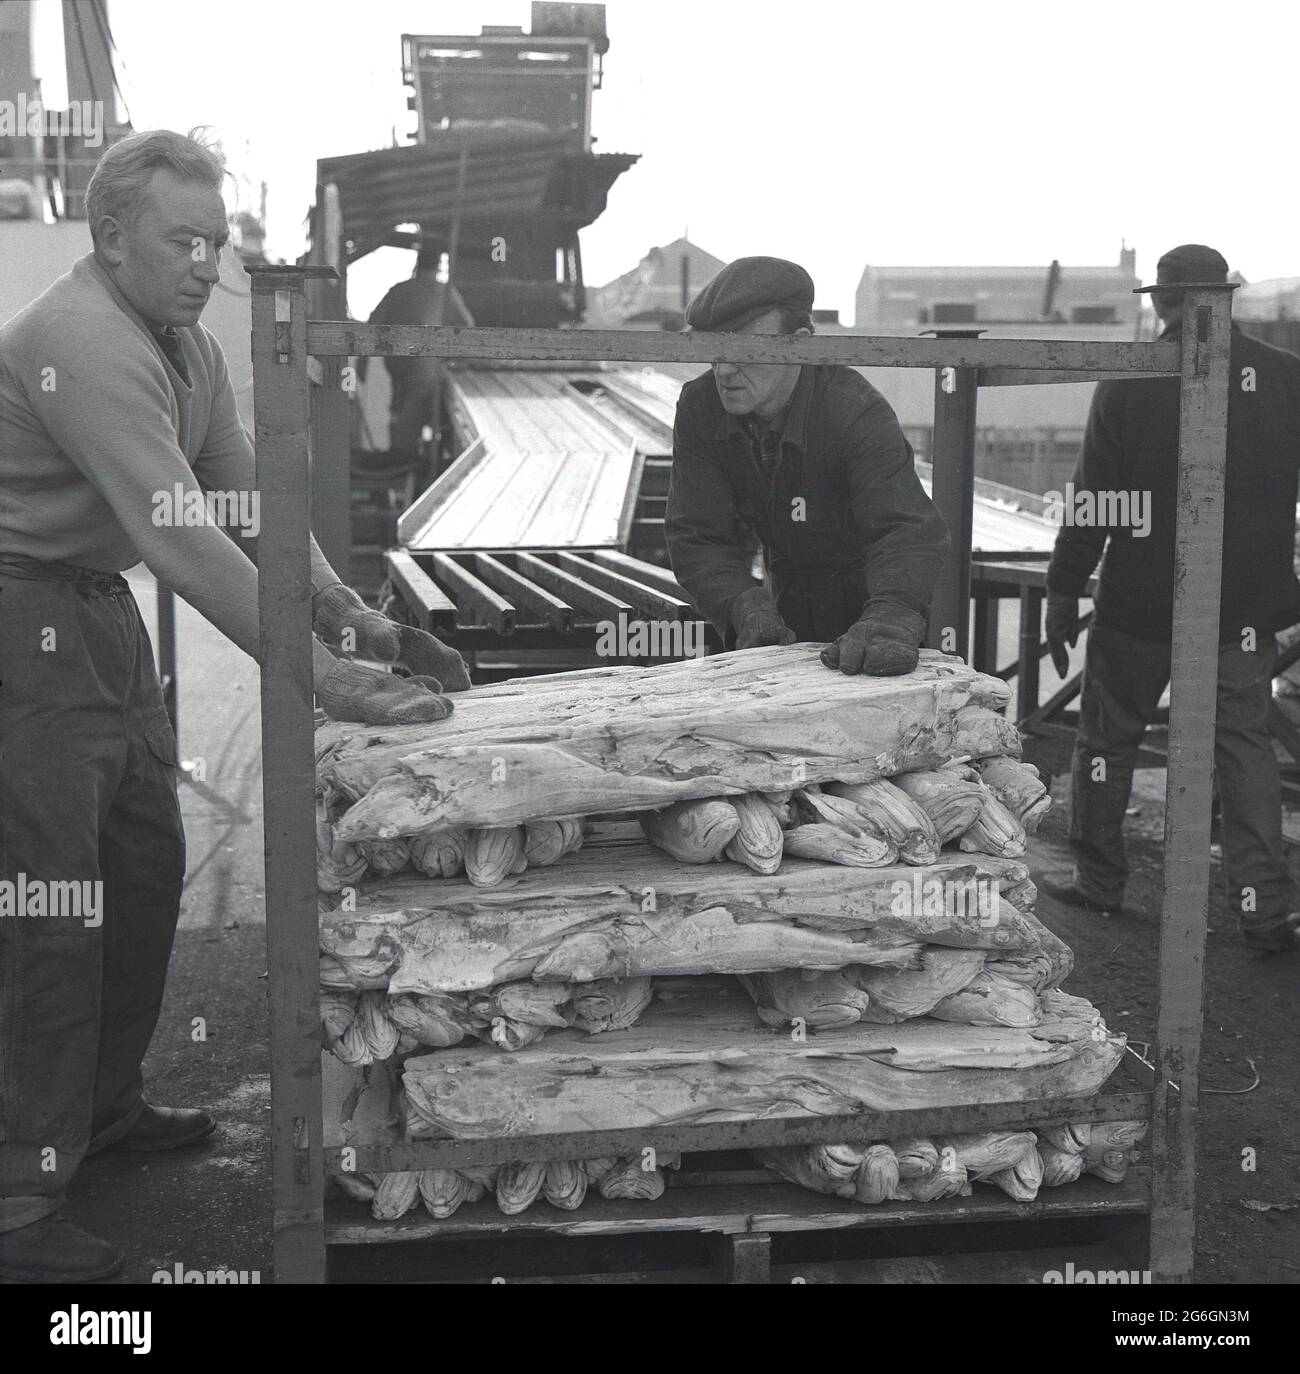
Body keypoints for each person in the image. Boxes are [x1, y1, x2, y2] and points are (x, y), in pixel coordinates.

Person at [0, 129, 470, 1282]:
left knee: (145, 875)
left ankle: (97, 1115)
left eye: (215, 242)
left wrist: (348, 614)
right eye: (182, 241)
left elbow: (249, 498)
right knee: (51, 912)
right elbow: (185, 538)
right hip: (19, 619)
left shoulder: (184, 343)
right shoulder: (77, 339)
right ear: (111, 236)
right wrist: (320, 676)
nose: (207, 263)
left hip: (94, 611)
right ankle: (18, 1202)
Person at [1041, 243, 1300, 955]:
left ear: (1162, 302)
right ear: (1226, 299)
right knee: (1243, 748)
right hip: (1243, 614)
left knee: (1107, 741)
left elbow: (1096, 503)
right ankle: (1262, 908)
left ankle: (1100, 883)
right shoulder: (1285, 379)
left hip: (1141, 607)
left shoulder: (1129, 384)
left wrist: (1064, 590)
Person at [665, 256, 949, 675]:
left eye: (745, 350)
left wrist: (891, 616)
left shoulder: (853, 411)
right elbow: (697, 534)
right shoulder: (702, 408)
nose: (724, 370)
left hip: (878, 609)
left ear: (799, 344)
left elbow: (905, 528)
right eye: (714, 350)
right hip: (786, 616)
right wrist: (743, 605)